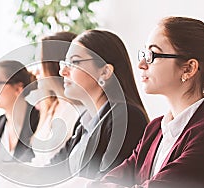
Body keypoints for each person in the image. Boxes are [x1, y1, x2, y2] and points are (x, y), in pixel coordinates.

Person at [54, 16, 204, 188]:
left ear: (189, 69)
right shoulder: (156, 128)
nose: (141, 64)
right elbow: (116, 180)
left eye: (152, 54)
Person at [49, 29, 149, 180]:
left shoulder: (126, 118)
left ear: (105, 72)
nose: (63, 71)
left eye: (74, 62)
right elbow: (53, 170)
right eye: (65, 63)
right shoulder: (85, 120)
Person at [26, 31, 84, 167]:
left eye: (39, 62)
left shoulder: (78, 112)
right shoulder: (52, 107)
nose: (35, 70)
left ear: (54, 65)